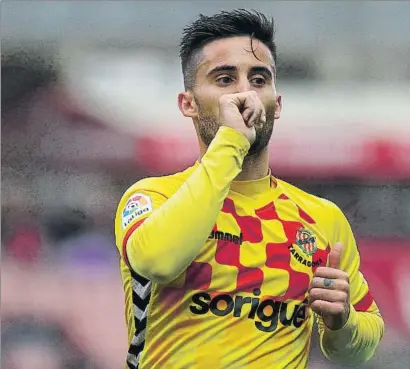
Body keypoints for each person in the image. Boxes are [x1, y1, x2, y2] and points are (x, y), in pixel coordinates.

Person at [115, 9, 384, 369]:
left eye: (259, 79)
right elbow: (159, 262)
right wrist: (231, 142)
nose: (245, 93)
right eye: (225, 79)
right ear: (188, 104)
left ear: (278, 104)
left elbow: (360, 349)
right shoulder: (153, 197)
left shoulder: (322, 218)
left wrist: (343, 322)